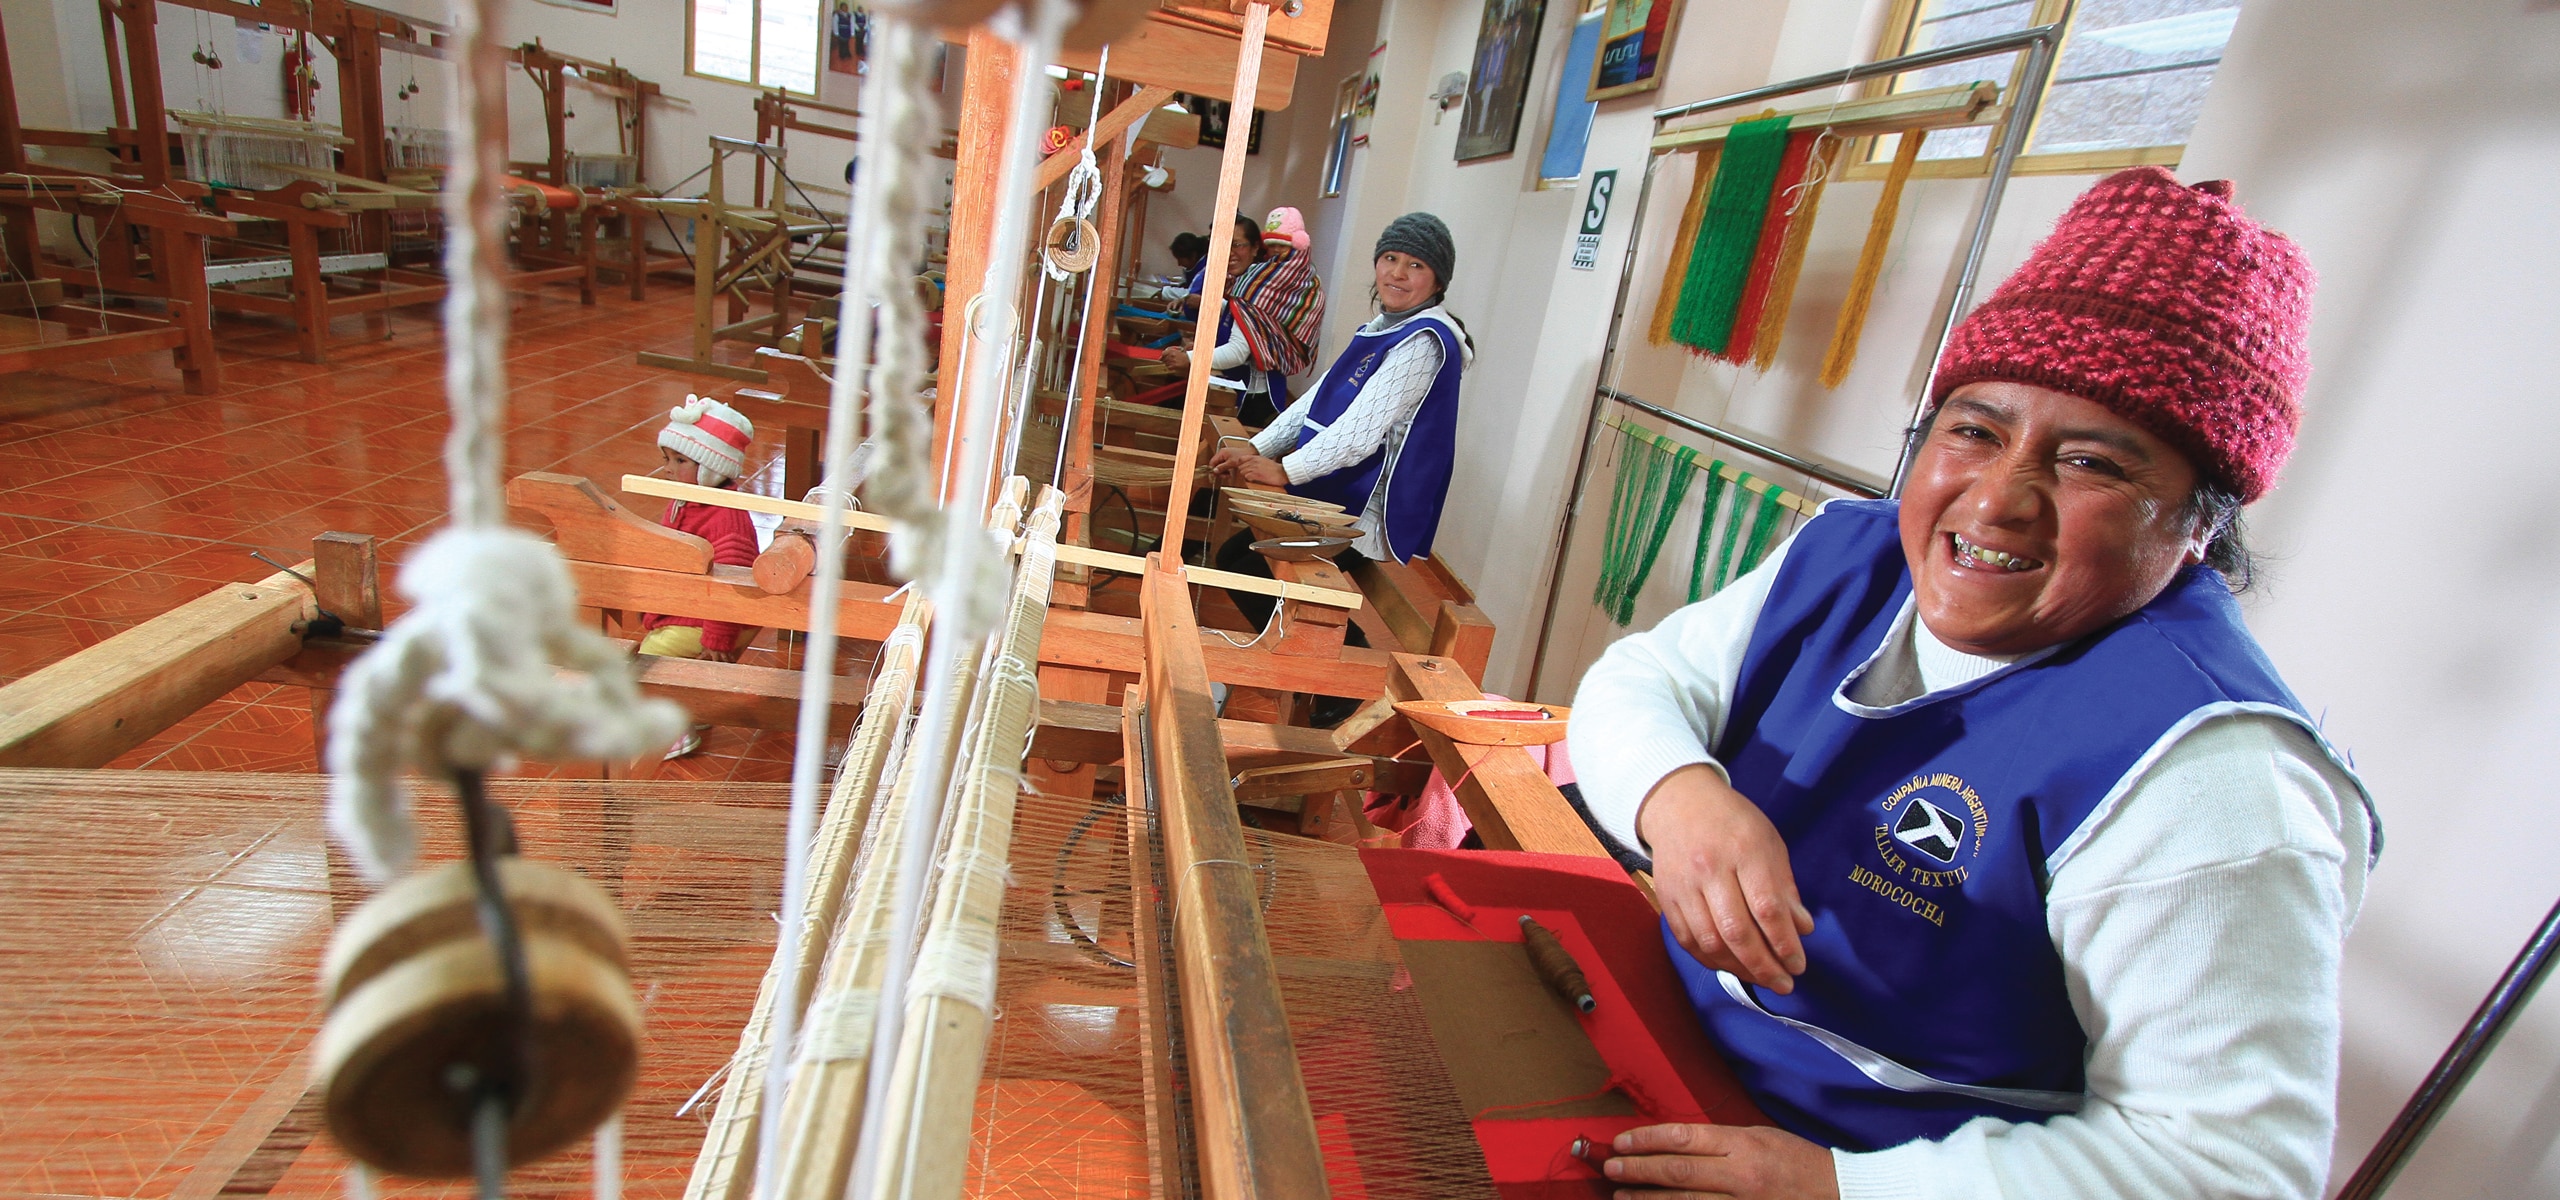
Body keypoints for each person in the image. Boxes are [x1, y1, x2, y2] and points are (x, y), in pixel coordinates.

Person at [1566, 168, 2378, 1199]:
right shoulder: (1852, 558)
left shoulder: (2208, 776)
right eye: (1974, 431)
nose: (1996, 501)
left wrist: (1841, 1189)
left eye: (2090, 464)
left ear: (2197, 526)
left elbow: (2232, 1170)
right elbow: (1642, 681)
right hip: (1670, 1036)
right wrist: (1677, 798)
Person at [1208, 211, 1472, 622]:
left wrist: (1286, 470)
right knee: (1248, 564)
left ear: (1437, 281)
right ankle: (1316, 678)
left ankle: (1336, 687)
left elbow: (1358, 435)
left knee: (1244, 564)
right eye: (1390, 259)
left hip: (1370, 508)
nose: (1397, 274)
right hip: (1340, 487)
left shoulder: (1424, 341)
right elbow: (1314, 401)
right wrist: (1257, 447)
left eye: (1416, 265)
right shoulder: (1383, 328)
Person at [638, 396, 763, 758]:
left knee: (653, 656)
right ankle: (689, 704)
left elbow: (733, 583)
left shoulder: (726, 516)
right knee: (659, 644)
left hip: (713, 614)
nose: (669, 469)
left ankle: (675, 731)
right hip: (692, 607)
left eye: (681, 461)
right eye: (668, 460)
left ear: (711, 468)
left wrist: (718, 637)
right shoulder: (685, 499)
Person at [1162, 212, 1287, 423]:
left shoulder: (1258, 286)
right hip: (1242, 386)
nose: (1230, 253)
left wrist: (1191, 359)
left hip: (1255, 397)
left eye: (1237, 245)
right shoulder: (1244, 281)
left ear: (1256, 247)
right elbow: (1236, 314)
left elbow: (1239, 350)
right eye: (1224, 245)